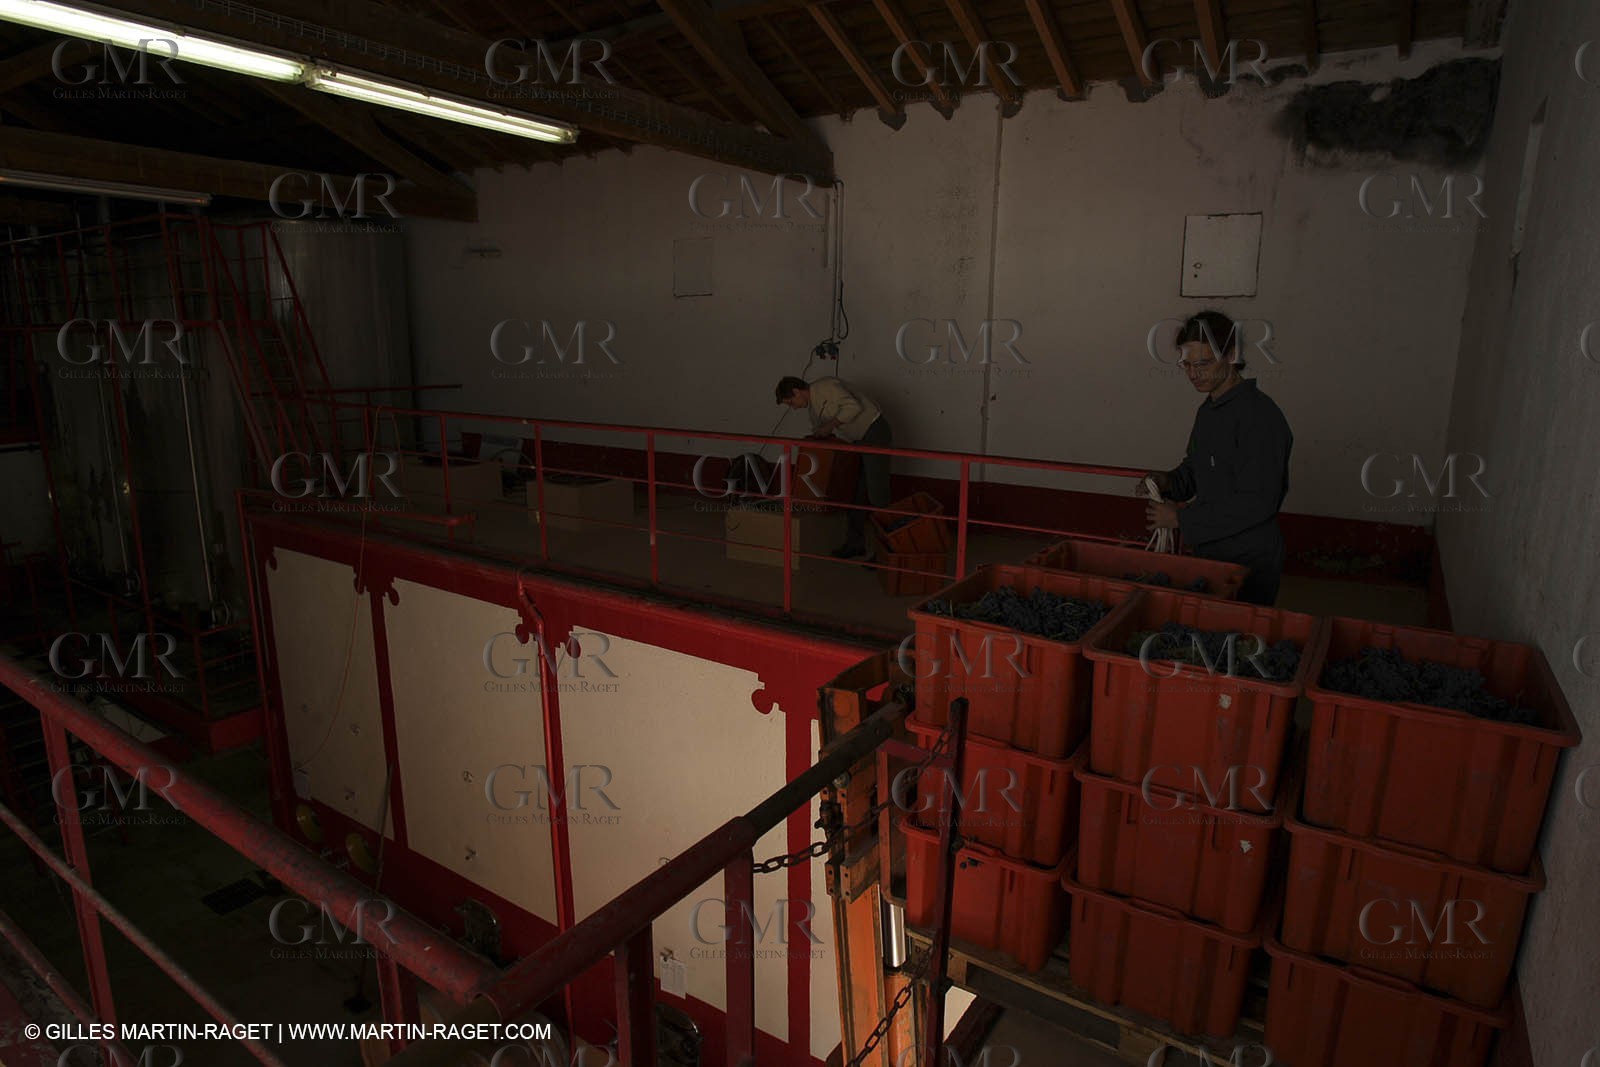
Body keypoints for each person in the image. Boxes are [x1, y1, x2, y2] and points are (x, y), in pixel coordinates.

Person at [1139, 311, 1293, 606]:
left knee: (1237, 637)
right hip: (1210, 550)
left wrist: (1180, 518)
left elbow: (1258, 501)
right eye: (1187, 365)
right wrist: (1169, 481)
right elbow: (1196, 470)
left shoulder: (1260, 417)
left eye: (1204, 363)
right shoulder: (1208, 411)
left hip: (1247, 557)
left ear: (1232, 356)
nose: (1194, 374)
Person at [774, 375, 892, 560]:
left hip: (873, 432)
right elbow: (820, 431)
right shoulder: (813, 408)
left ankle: (885, 552)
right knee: (855, 494)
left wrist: (830, 426)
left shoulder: (826, 386)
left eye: (791, 402)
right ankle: (855, 545)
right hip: (857, 440)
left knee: (878, 494)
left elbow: (853, 407)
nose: (794, 407)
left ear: (797, 391)